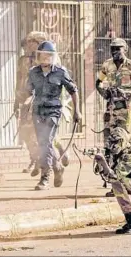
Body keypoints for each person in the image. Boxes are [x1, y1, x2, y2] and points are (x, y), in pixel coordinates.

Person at [26, 41, 81, 190]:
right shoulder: (33, 72)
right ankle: (58, 167)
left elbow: (73, 90)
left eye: (48, 55)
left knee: (46, 142)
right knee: (43, 143)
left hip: (53, 112)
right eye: (42, 55)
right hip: (38, 112)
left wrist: (77, 111)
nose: (45, 58)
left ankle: (45, 178)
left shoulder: (61, 72)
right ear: (38, 56)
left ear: (53, 56)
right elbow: (28, 91)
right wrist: (24, 101)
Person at [14, 31, 70, 176]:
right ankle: (38, 160)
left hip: (45, 103)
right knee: (27, 133)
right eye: (29, 42)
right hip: (26, 101)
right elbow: (19, 81)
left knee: (44, 135)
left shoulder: (51, 60)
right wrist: (17, 101)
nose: (30, 45)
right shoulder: (23, 60)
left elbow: (59, 83)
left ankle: (50, 163)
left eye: (34, 41)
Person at [95, 38, 131, 196]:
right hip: (110, 111)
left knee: (120, 145)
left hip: (125, 111)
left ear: (125, 49)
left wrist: (128, 94)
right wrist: (103, 92)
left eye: (118, 49)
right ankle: (113, 182)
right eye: (112, 49)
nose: (115, 52)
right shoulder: (107, 65)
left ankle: (125, 182)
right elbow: (98, 82)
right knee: (109, 146)